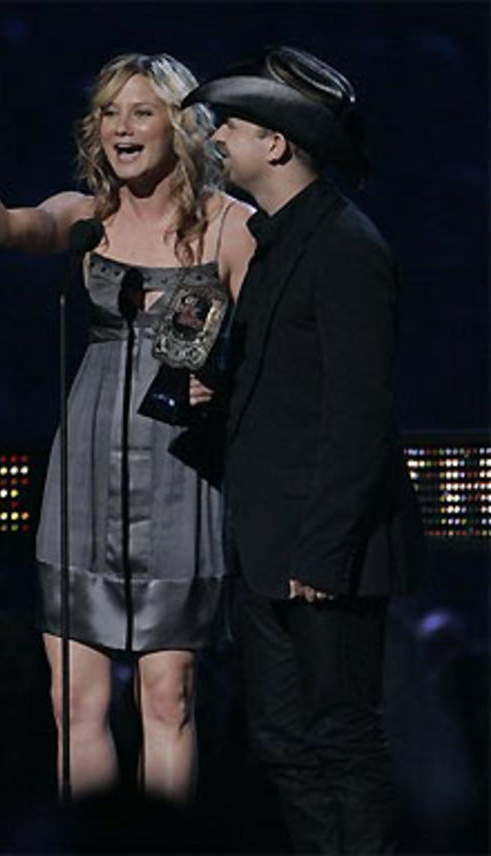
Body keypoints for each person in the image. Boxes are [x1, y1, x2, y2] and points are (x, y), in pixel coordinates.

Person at [0, 52, 255, 802]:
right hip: (88, 459)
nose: (122, 127)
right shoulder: (87, 216)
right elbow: (14, 229)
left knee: (166, 695)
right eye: (109, 112)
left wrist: (220, 383)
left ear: (178, 125)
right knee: (74, 698)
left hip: (181, 466)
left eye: (141, 111)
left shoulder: (233, 226)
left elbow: (277, 344)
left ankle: (164, 848)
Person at [184, 46, 428, 852]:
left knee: (341, 744)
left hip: (325, 554)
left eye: (234, 128)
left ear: (279, 145)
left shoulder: (347, 246)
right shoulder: (273, 240)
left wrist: (322, 552)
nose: (217, 139)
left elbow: (359, 413)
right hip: (265, 545)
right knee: (283, 745)